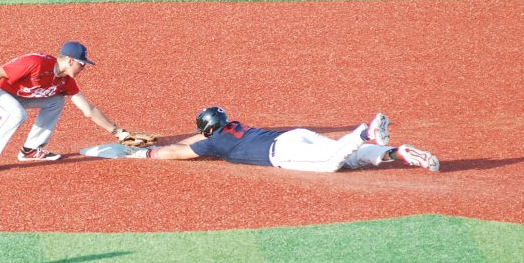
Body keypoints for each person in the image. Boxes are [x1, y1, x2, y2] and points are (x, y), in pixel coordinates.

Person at [0, 41, 145, 174]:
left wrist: (118, 132)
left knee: (56, 101)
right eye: (82, 64)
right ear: (70, 61)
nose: (83, 68)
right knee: (16, 115)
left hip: (18, 96)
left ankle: (31, 149)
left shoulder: (65, 80)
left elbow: (88, 110)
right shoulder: (37, 63)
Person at [128, 106, 440, 172]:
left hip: (283, 152)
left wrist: (147, 154)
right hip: (297, 137)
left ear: (207, 130)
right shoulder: (231, 128)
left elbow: (176, 152)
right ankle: (398, 152)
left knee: (331, 164)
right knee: (349, 160)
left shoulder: (214, 143)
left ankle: (365, 133)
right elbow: (196, 138)